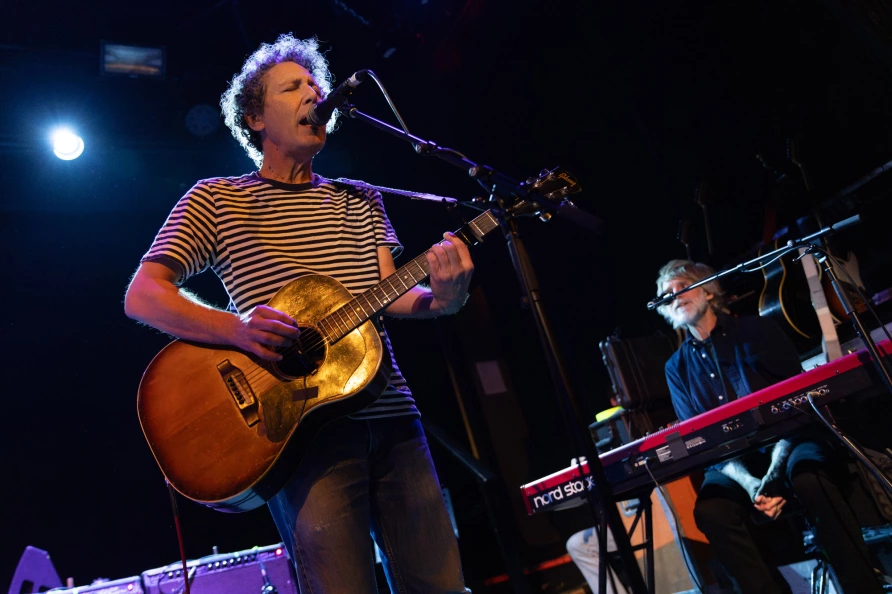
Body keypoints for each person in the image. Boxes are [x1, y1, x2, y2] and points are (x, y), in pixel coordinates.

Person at [124, 34, 473, 594]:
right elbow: (143, 293)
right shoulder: (217, 199)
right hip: (297, 434)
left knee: (441, 587)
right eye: (294, 87)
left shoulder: (359, 198)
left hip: (392, 417)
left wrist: (446, 298)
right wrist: (235, 329)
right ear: (256, 117)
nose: (315, 93)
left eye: (315, 84)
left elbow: (392, 293)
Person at [655, 259, 882, 594]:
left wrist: (774, 475)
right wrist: (751, 485)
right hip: (736, 462)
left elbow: (797, 406)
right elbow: (702, 440)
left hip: (790, 440)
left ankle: (862, 587)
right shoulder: (676, 367)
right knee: (711, 510)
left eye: (682, 287)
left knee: (809, 478)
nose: (674, 296)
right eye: (665, 295)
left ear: (708, 289)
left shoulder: (758, 330)